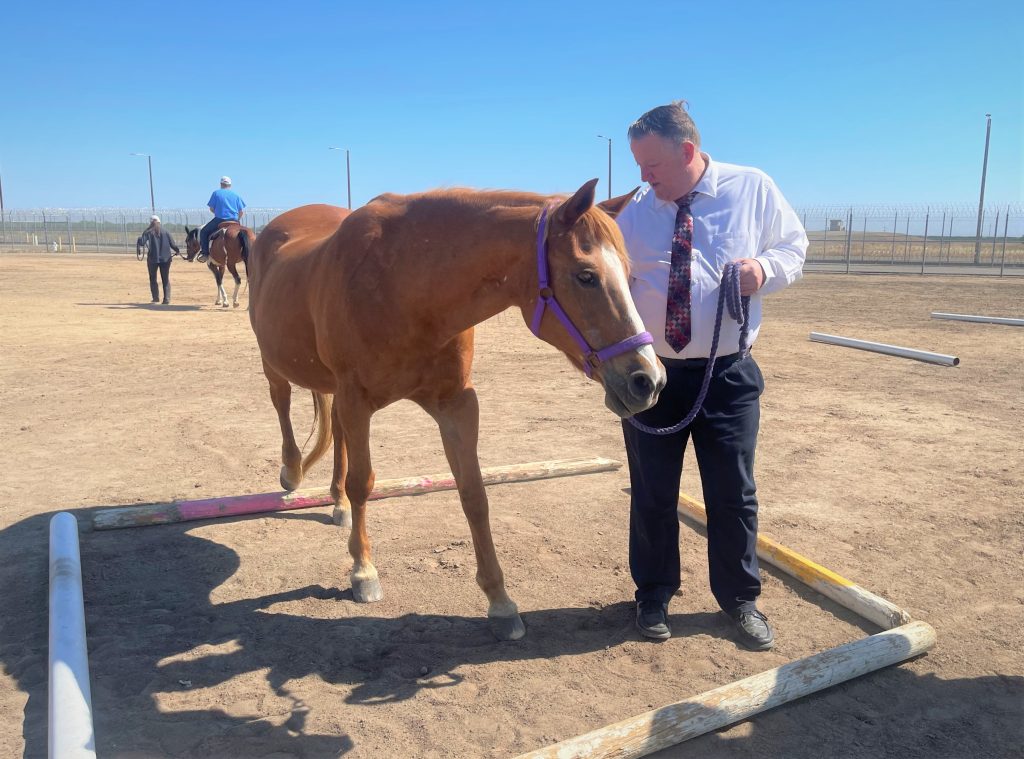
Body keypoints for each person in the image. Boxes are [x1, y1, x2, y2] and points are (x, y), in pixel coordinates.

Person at [612, 101, 807, 650]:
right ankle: (653, 594)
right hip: (652, 378)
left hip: (728, 375)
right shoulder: (634, 212)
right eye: (638, 165)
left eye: (652, 165)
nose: (644, 177)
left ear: (687, 152)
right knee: (652, 492)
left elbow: (794, 248)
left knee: (733, 493)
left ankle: (740, 599)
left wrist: (763, 269)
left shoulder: (753, 188)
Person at [199, 176, 246, 260]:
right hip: (234, 221)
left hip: (220, 220)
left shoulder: (216, 193)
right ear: (230, 185)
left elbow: (211, 208)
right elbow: (241, 212)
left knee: (204, 232)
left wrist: (218, 212)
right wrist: (237, 220)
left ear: (221, 184)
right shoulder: (236, 196)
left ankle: (205, 253)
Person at [139, 215, 180, 305]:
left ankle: (155, 298)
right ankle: (166, 299)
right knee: (165, 278)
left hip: (152, 259)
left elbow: (142, 243)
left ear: (150, 223)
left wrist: (141, 237)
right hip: (166, 259)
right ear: (159, 222)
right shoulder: (166, 231)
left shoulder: (148, 232)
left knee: (153, 278)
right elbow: (173, 244)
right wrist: (177, 251)